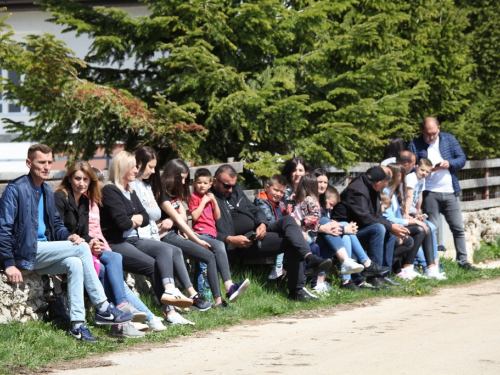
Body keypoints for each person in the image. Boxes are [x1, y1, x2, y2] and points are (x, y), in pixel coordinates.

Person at [0, 144, 133, 342]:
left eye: (49, 162)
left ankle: (77, 325)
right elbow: (4, 228)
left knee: (75, 263)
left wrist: (69, 236)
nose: (46, 167)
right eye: (41, 162)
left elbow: (56, 224)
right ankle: (103, 307)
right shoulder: (16, 189)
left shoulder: (46, 190)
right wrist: (9, 263)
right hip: (25, 252)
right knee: (80, 249)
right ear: (29, 163)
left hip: (42, 252)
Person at [99, 151, 196, 326]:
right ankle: (168, 312)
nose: (136, 169)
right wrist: (134, 220)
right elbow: (122, 223)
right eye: (133, 166)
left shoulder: (130, 190)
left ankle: (170, 290)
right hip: (117, 242)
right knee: (152, 265)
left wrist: (133, 220)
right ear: (123, 167)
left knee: (166, 249)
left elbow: (145, 217)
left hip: (134, 240)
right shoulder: (110, 190)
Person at [210, 164, 332, 301]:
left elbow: (255, 210)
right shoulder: (210, 198)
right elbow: (207, 231)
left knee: (288, 220)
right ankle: (298, 287)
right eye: (227, 186)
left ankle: (307, 262)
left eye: (233, 185)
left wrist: (262, 223)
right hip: (240, 244)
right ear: (215, 181)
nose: (230, 189)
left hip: (257, 233)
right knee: (291, 239)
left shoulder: (236, 191)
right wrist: (230, 239)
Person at [54, 161, 147, 338]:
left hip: (79, 245)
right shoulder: (60, 196)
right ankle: (116, 317)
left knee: (114, 257)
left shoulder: (84, 201)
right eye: (77, 178)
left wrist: (93, 241)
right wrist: (76, 238)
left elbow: (84, 233)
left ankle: (119, 309)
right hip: (63, 245)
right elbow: (56, 227)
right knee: (104, 267)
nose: (81, 183)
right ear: (70, 179)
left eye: (85, 180)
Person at [158, 159, 250, 308]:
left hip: (180, 233)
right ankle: (196, 297)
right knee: (209, 254)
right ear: (171, 175)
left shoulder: (174, 193)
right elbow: (181, 219)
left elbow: (181, 216)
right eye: (180, 178)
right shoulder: (162, 193)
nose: (183, 182)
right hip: (171, 235)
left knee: (216, 247)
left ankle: (225, 293)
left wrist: (172, 219)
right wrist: (196, 239)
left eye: (184, 178)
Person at [129, 148, 213, 311]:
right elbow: (149, 214)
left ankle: (190, 295)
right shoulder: (134, 186)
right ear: (139, 164)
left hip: (153, 233)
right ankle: (177, 297)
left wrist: (160, 218)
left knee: (175, 251)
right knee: (170, 250)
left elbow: (160, 214)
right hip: (143, 236)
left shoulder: (147, 186)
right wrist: (196, 239)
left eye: (155, 167)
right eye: (151, 167)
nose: (154, 171)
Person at [90, 167, 167, 332]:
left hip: (103, 247)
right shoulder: (89, 203)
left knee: (118, 277)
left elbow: (146, 217)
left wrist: (106, 248)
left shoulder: (95, 204)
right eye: (97, 189)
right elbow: (122, 224)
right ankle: (128, 317)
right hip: (92, 250)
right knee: (110, 268)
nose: (99, 193)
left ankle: (145, 316)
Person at [408, 117, 477, 271]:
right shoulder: (415, 144)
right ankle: (432, 262)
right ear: (422, 131)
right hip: (429, 192)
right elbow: (410, 167)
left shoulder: (449, 139)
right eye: (428, 134)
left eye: (434, 133)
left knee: (458, 227)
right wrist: (425, 169)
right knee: (432, 228)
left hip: (450, 190)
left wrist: (449, 163)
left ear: (438, 128)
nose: (431, 137)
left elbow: (462, 159)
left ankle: (463, 261)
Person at [332, 166, 409, 282]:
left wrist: (392, 226)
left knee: (389, 230)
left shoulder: (372, 187)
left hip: (358, 228)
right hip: (345, 232)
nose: (385, 187)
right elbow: (366, 219)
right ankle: (373, 276)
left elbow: (376, 215)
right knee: (378, 228)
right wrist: (390, 226)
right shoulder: (357, 191)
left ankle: (384, 273)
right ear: (378, 183)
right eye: (385, 184)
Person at [403, 158, 446, 280]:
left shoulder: (422, 180)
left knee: (431, 227)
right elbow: (409, 196)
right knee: (425, 229)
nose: (424, 173)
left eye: (427, 172)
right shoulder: (411, 177)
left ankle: (434, 264)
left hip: (413, 213)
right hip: (406, 213)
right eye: (422, 170)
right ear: (416, 166)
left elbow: (420, 196)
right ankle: (426, 265)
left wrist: (418, 211)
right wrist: (406, 213)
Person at [254, 174, 287, 280]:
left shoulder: (279, 204)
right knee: (285, 237)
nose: (278, 194)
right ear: (267, 187)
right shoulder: (262, 202)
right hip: (266, 235)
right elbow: (269, 221)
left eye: (282, 192)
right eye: (276, 190)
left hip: (276, 231)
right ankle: (277, 267)